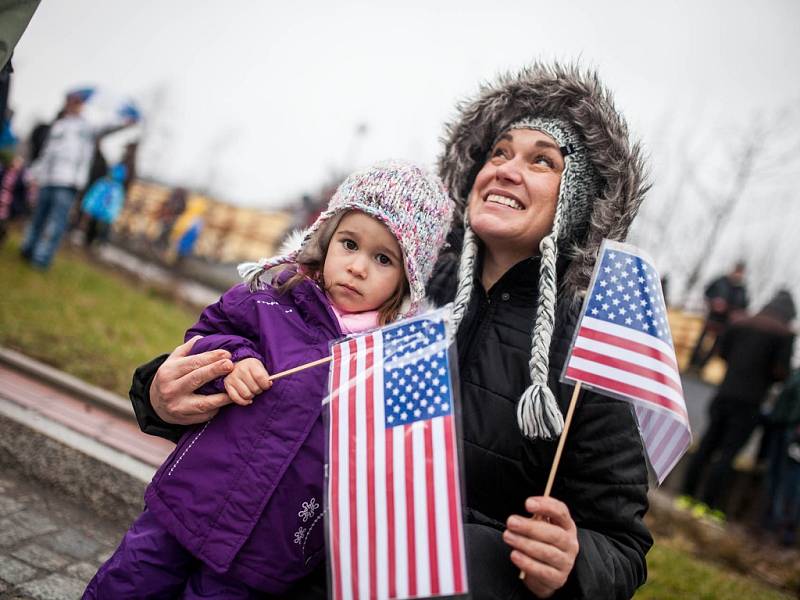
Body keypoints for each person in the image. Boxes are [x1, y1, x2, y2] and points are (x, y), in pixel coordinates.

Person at [128, 62, 652, 599]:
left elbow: (622, 544)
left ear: (579, 201)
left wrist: (575, 560)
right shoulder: (393, 285)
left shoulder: (586, 352)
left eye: (541, 160)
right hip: (297, 569)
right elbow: (269, 369)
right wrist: (157, 394)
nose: (507, 169)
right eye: (498, 152)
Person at [85, 160, 453, 599]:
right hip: (190, 501)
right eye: (350, 244)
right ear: (327, 238)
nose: (357, 267)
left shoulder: (389, 362)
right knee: (128, 584)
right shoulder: (274, 297)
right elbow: (209, 332)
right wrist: (234, 361)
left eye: (383, 258)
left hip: (271, 549)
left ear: (407, 278)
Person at [682, 290, 795, 513]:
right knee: (728, 454)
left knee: (706, 445)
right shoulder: (784, 335)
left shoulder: (742, 323)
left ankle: (685, 495)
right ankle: (707, 505)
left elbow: (722, 352)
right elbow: (781, 372)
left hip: (724, 393)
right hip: (750, 401)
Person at [20, 90, 134, 268]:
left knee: (56, 223)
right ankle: (28, 250)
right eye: (71, 101)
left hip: (68, 183)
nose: (73, 105)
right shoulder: (59, 126)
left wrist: (127, 120)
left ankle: (41, 259)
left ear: (81, 105)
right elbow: (47, 154)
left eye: (77, 102)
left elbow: (110, 126)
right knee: (38, 218)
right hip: (48, 179)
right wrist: (34, 174)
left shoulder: (87, 128)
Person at [687, 261, 749, 372]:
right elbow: (707, 292)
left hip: (726, 323)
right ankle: (691, 364)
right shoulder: (721, 281)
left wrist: (734, 312)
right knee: (701, 341)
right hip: (712, 317)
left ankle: (701, 367)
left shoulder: (742, 290)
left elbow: (743, 307)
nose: (738, 274)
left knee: (716, 347)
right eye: (737, 271)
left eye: (741, 272)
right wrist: (713, 302)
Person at [763, 367, 800, 546]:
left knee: (789, 482)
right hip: (783, 427)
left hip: (793, 432)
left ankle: (783, 527)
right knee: (777, 476)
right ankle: (772, 522)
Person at [79, 163, 127, 247]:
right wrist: (88, 205)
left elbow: (117, 203)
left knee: (102, 229)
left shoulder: (117, 189)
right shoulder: (103, 183)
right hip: (96, 210)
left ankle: (99, 243)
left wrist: (113, 214)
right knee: (92, 226)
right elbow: (93, 194)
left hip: (106, 214)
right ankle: (88, 242)